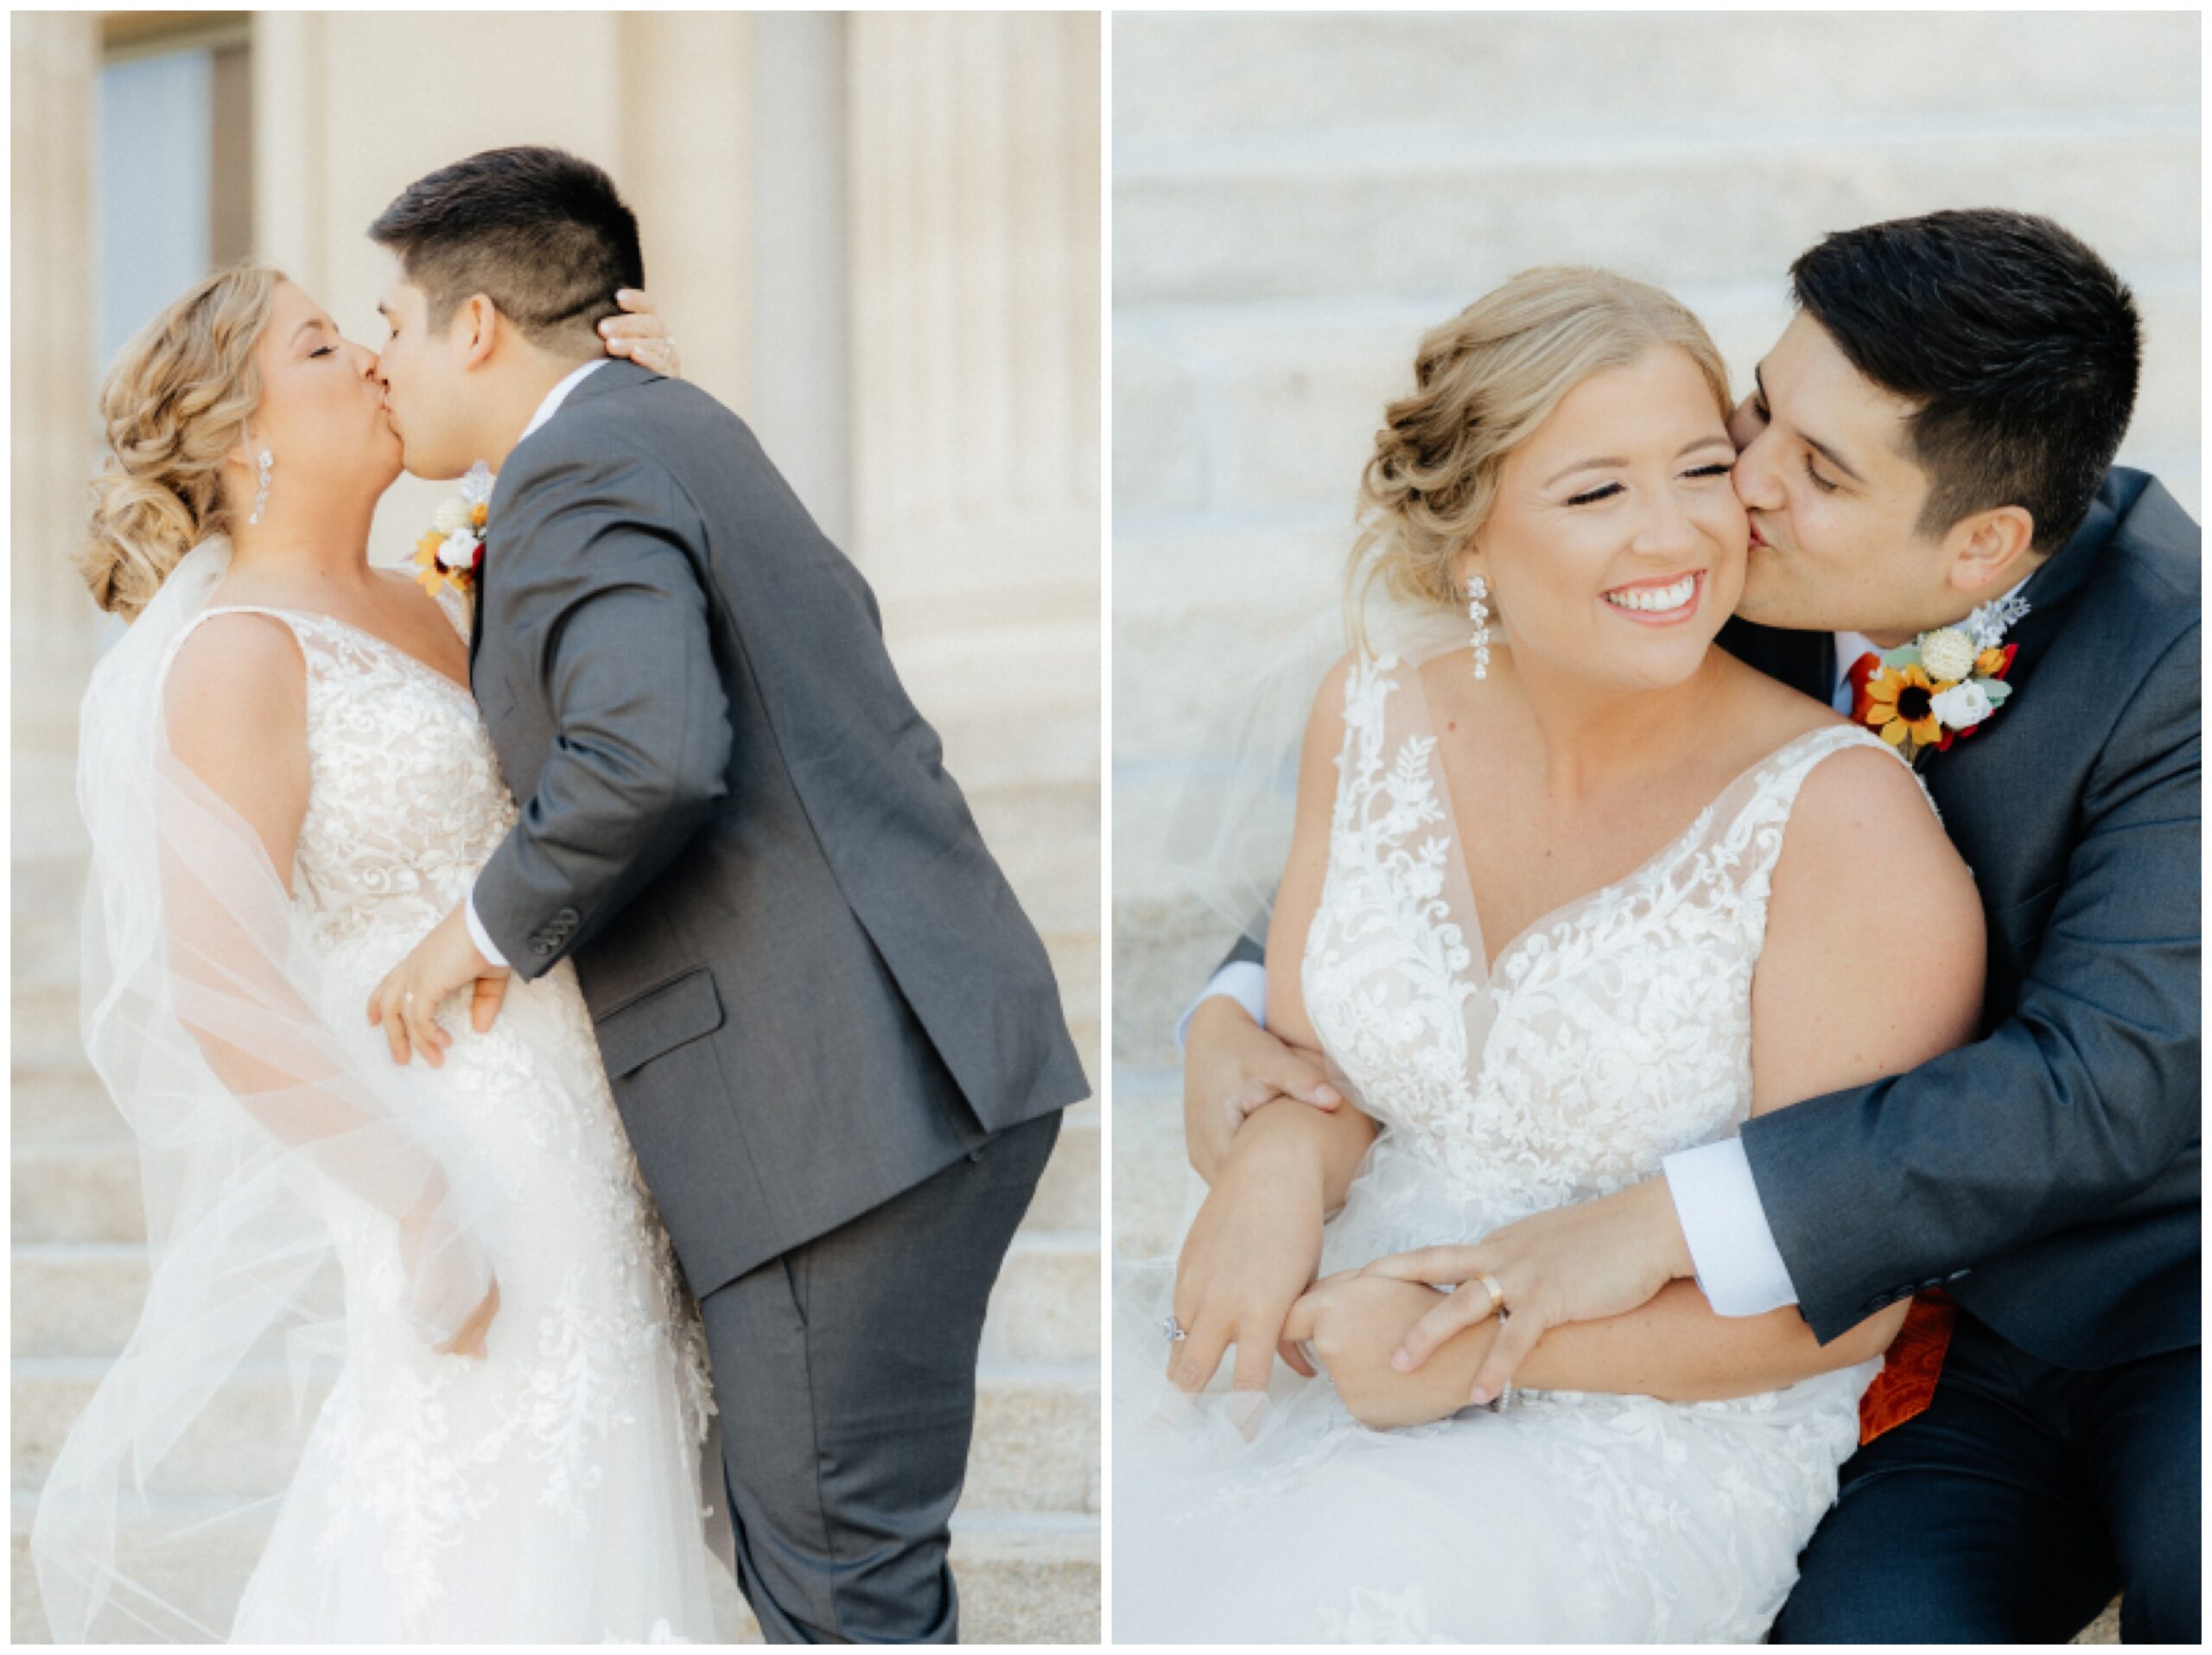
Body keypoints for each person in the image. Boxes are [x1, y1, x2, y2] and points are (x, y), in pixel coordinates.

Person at [1175, 211, 2199, 1641]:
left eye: (1815, 469)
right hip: (1870, 1330)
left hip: (2149, 1297)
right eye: (1762, 411)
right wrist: (1249, 1045)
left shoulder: (2176, 670)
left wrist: (1652, 1226)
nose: (1741, 487)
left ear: (1980, 549)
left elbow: (2107, 1088)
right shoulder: (1702, 559)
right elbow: (1460, 830)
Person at [359, 146, 1091, 1644]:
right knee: (844, 1581)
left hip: (834, 1107)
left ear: (479, 322)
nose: (383, 359)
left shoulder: (583, 465)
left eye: (394, 323)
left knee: (840, 1598)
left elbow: (650, 756)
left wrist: (478, 926)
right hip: (886, 1073)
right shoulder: (657, 429)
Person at [31, 265, 716, 1641]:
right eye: (322, 345)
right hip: (455, 1145)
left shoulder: (435, 599)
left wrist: (631, 410)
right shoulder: (237, 656)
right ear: (244, 436)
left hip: (585, 1120)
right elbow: (222, 989)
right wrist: (421, 1199)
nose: (369, 361)